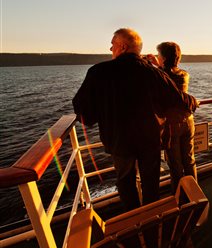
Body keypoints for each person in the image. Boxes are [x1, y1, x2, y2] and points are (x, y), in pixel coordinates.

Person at [72, 28, 198, 211]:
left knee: (125, 182)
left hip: (119, 141)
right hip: (149, 140)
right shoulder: (153, 73)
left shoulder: (98, 72)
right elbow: (178, 100)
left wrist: (97, 116)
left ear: (122, 46)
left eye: (113, 43)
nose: (110, 48)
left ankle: (133, 220)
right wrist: (193, 101)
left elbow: (82, 109)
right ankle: (151, 220)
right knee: (150, 183)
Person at [147, 42, 196, 193]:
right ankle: (195, 192)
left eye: (159, 55)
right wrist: (158, 65)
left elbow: (164, 80)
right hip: (188, 121)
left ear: (164, 58)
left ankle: (180, 197)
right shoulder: (184, 75)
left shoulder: (160, 76)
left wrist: (153, 66)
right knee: (189, 161)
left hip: (171, 126)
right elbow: (169, 77)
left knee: (175, 165)